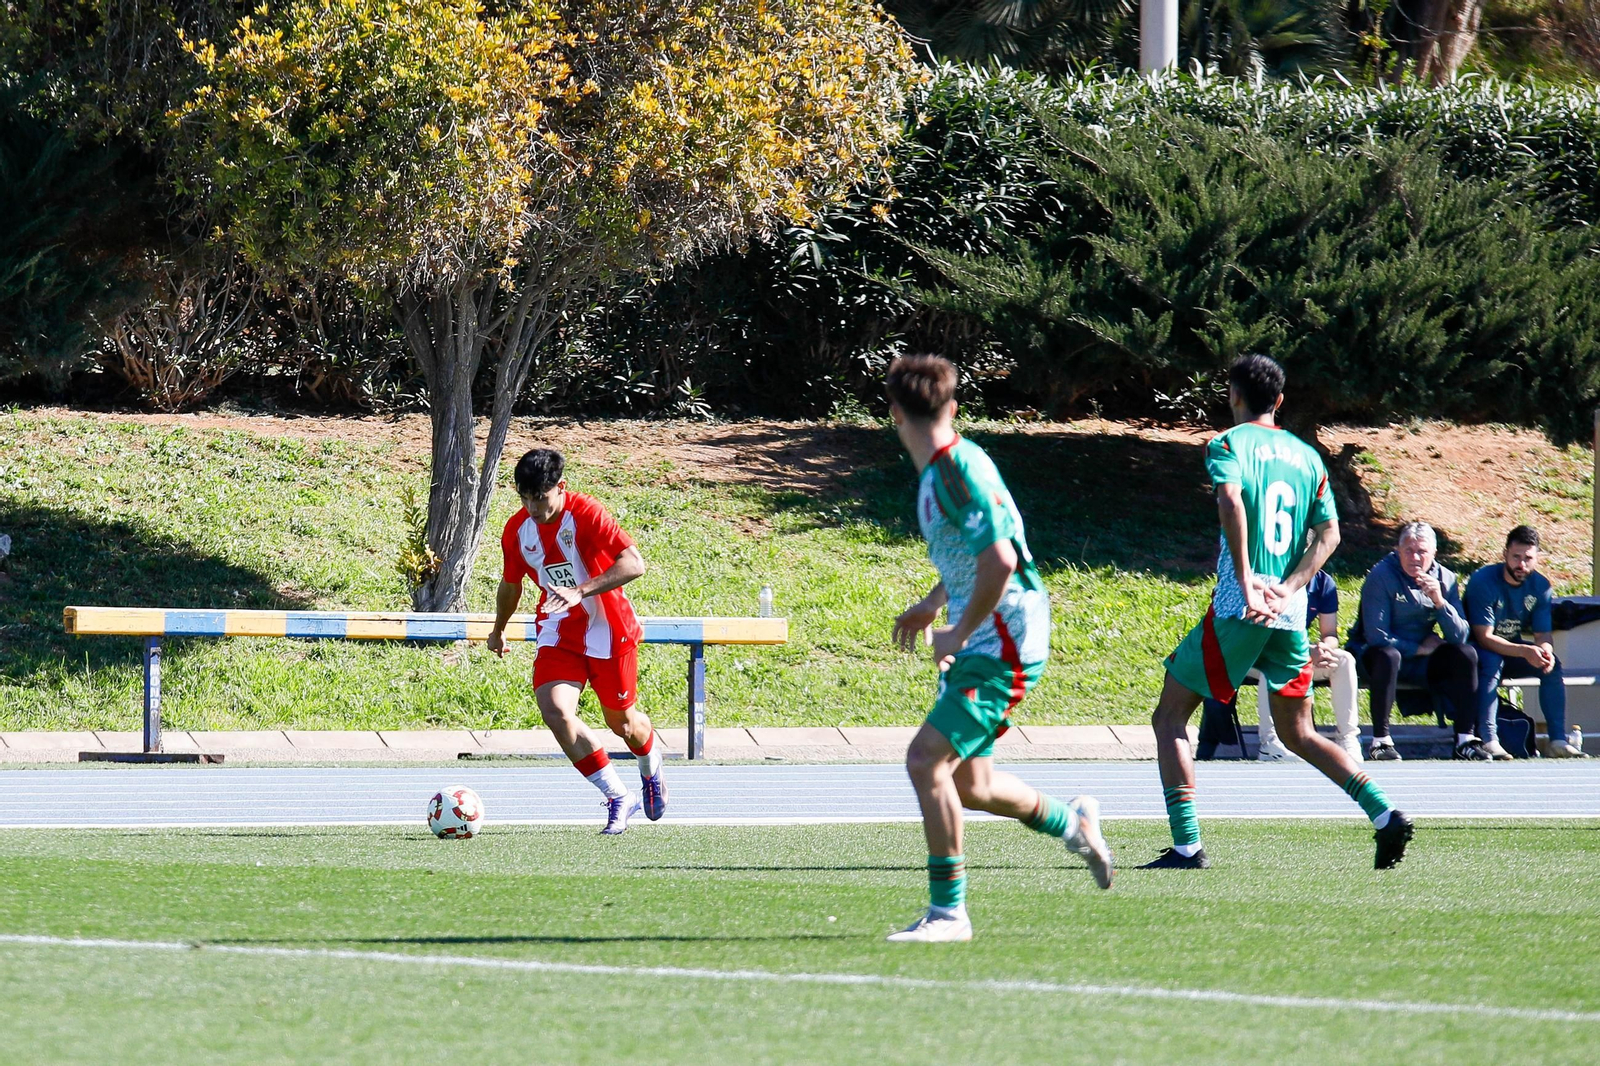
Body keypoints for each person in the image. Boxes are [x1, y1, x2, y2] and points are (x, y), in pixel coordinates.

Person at [1150, 354, 1412, 871]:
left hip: (1237, 609)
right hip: (1288, 614)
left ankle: (1186, 846)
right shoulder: (1308, 457)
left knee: (1169, 718)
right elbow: (1331, 534)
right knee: (1299, 733)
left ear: (1233, 396)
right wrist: (1291, 587)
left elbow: (1230, 502)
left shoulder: (1227, 444)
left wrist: (1248, 580)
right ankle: (1385, 815)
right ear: (1281, 400)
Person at [885, 354, 1113, 943]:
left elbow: (1002, 560)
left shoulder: (953, 472)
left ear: (894, 415)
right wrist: (936, 603)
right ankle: (1074, 823)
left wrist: (958, 632)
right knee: (970, 785)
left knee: (924, 761)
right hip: (990, 630)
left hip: (1003, 637)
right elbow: (977, 551)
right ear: (952, 409)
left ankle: (947, 914)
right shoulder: (951, 468)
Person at [487, 448, 667, 834]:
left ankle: (651, 766)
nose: (533, 506)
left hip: (609, 628)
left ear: (560, 488)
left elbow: (634, 563)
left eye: (541, 497)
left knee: (623, 725)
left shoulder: (586, 513)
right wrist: (499, 629)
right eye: (525, 497)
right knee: (556, 711)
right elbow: (511, 584)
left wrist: (581, 590)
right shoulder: (517, 530)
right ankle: (619, 796)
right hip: (558, 630)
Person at [1348, 522, 1483, 761]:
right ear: (1398, 551)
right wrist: (1419, 649)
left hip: (1423, 658)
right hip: (1376, 655)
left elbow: (1460, 635)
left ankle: (1465, 739)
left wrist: (1440, 602)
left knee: (1466, 654)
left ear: (1434, 554)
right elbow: (1376, 636)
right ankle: (1381, 741)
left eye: (1422, 552)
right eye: (1408, 551)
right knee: (1388, 655)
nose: (1415, 558)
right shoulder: (1381, 576)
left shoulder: (1446, 578)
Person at [1466, 525, 1588, 759]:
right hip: (1478, 649)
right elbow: (1484, 636)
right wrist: (1524, 651)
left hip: (1513, 647)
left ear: (1536, 558)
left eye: (1528, 558)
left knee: (1551, 665)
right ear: (1505, 555)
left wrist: (1545, 651)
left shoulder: (1541, 586)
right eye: (1516, 557)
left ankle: (1557, 741)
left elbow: (1542, 634)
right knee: (1492, 662)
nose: (1521, 565)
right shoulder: (1483, 581)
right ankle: (1490, 739)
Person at [1251, 570, 1362, 763]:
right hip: (1251, 653)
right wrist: (1306, 652)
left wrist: (1324, 649)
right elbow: (1263, 636)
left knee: (1344, 660)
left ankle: (1347, 737)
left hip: (1295, 653)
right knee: (1273, 664)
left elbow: (1330, 633)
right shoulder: (1270, 576)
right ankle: (1270, 742)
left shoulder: (1323, 581)